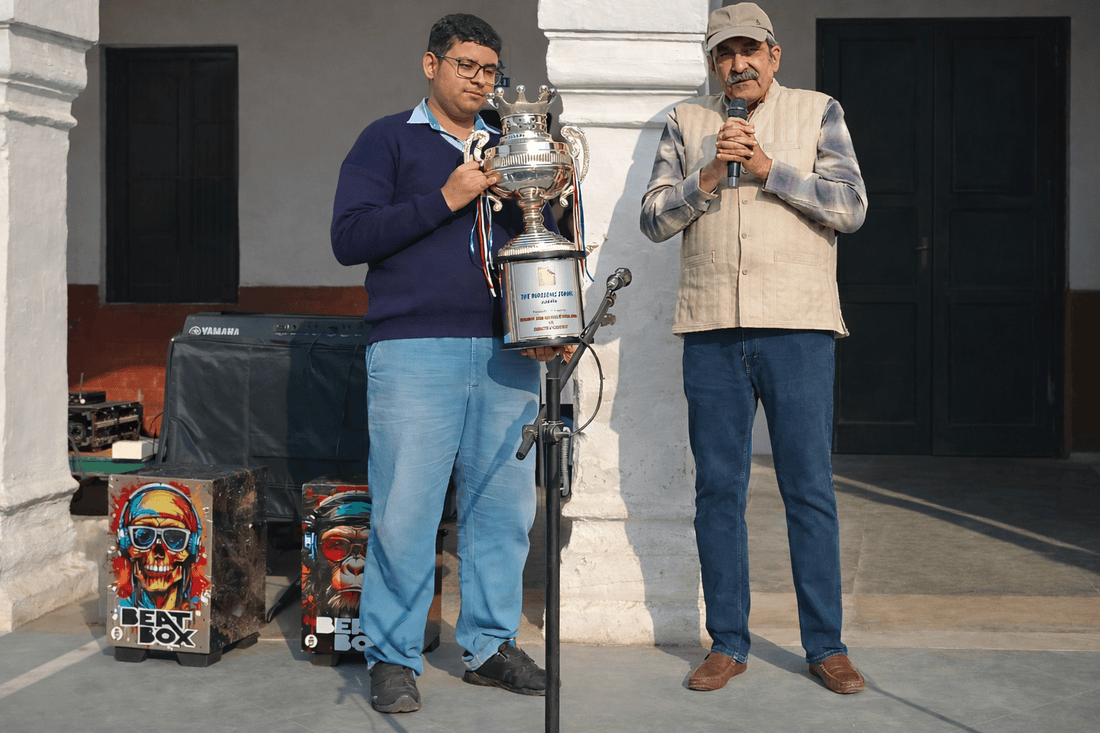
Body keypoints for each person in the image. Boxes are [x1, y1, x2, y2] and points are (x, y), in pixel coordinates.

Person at [331, 12, 569, 714]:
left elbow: (546, 238)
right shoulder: (385, 139)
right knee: (405, 511)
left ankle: (490, 646)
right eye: (466, 65)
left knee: (502, 510)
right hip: (413, 348)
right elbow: (349, 237)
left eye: (490, 69)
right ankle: (393, 656)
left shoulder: (513, 142)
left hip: (508, 349)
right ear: (431, 64)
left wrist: (545, 211)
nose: (480, 80)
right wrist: (448, 196)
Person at [639, 3, 868, 695]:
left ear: (774, 56)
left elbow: (851, 206)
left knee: (808, 488)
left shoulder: (819, 111)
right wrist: (709, 175)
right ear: (712, 63)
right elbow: (653, 219)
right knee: (718, 489)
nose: (737, 63)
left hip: (797, 327)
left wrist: (769, 168)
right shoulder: (686, 122)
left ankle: (825, 645)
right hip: (712, 327)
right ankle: (728, 642)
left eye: (749, 50)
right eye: (724, 53)